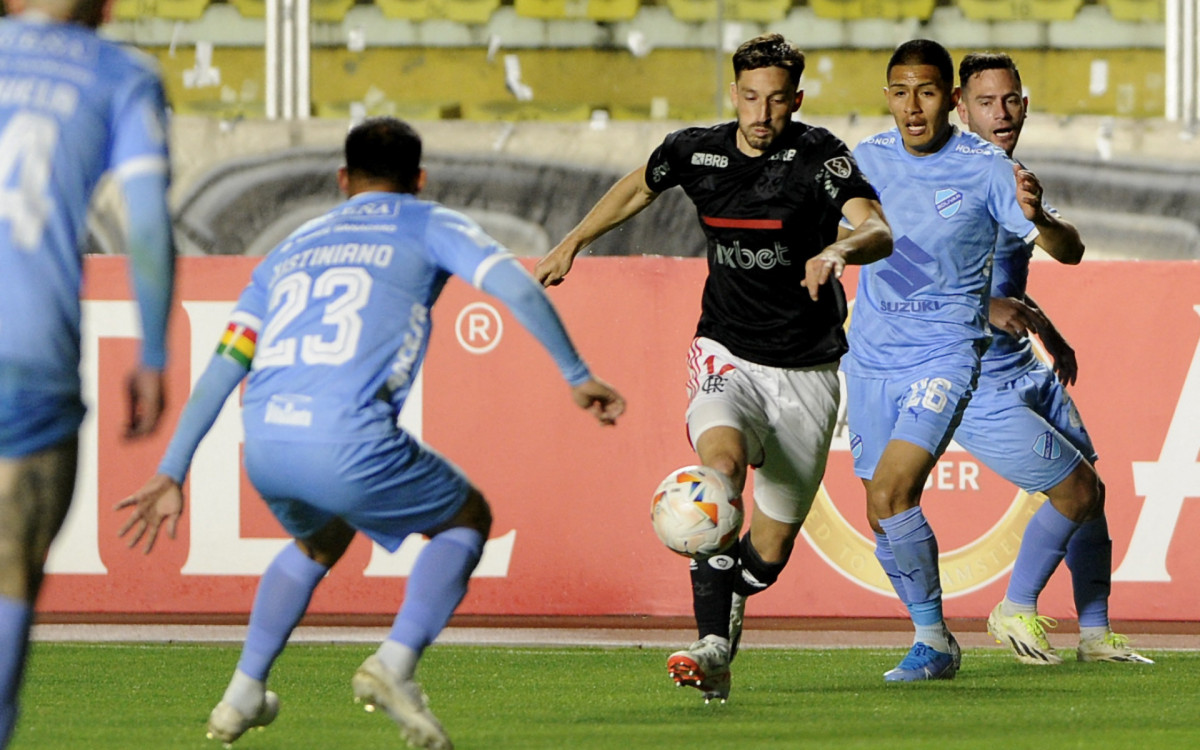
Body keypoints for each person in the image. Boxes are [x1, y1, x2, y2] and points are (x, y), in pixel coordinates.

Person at [116, 117, 625, 749]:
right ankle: (394, 664)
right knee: (466, 518)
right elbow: (515, 286)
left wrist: (172, 468)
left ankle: (243, 693)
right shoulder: (430, 221)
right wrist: (577, 373)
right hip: (348, 438)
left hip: (267, 439)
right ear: (418, 179)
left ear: (341, 179)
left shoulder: (290, 247)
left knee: (320, 538)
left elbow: (226, 362)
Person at [535, 33, 892, 703]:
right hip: (725, 353)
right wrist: (573, 240)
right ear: (733, 94)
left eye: (778, 100)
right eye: (751, 97)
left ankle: (728, 611)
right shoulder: (694, 152)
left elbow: (878, 228)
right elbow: (638, 187)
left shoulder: (820, 157)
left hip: (807, 373)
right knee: (718, 473)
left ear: (797, 100)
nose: (762, 114)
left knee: (768, 554)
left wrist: (840, 250)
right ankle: (712, 649)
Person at [844, 39, 1082, 682]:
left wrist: (1040, 219)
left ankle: (934, 639)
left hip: (946, 352)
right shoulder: (863, 160)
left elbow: (1067, 247)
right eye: (900, 92)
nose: (912, 107)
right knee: (878, 511)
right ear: (888, 96)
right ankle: (940, 638)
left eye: (926, 92)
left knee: (895, 494)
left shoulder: (985, 167)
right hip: (870, 358)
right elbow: (848, 235)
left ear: (948, 99)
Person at [0, 1, 175, 745]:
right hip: (28, 350)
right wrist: (155, 353)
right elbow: (145, 222)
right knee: (11, 570)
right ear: (105, 10)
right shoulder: (121, 74)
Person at [952, 52, 1150, 665]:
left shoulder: (1017, 176)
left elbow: (1069, 251)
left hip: (1024, 365)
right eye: (986, 101)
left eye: (1010, 99)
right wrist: (986, 310)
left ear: (1026, 103)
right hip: (973, 377)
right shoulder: (941, 180)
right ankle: (1014, 609)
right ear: (960, 108)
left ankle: (1095, 633)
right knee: (1077, 490)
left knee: (1094, 491)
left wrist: (1047, 330)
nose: (1001, 112)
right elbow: (902, 278)